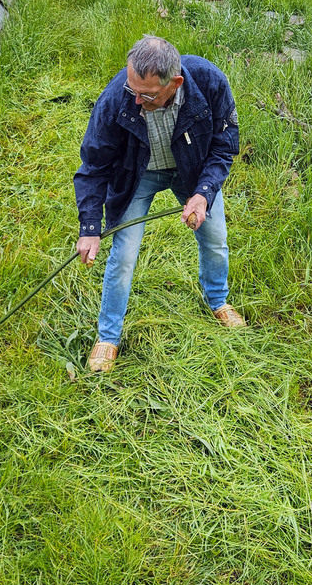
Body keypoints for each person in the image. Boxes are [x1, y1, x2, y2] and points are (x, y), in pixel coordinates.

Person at [73, 35, 244, 374]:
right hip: (137, 175)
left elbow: (224, 146)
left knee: (215, 240)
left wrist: (203, 193)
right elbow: (93, 167)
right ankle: (108, 336)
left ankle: (218, 299)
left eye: (146, 95)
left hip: (192, 172)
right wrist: (90, 228)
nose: (134, 100)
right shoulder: (117, 97)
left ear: (175, 82)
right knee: (122, 256)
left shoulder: (210, 83)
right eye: (131, 90)